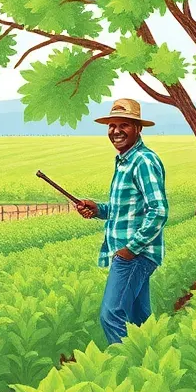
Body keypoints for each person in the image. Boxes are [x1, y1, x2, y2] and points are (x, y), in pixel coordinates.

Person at [75, 99, 168, 345]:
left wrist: (130, 250)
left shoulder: (143, 161)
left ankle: (127, 368)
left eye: (123, 125)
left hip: (134, 255)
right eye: (111, 125)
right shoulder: (126, 160)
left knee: (111, 315)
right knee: (139, 318)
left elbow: (158, 210)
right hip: (131, 253)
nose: (115, 131)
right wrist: (98, 210)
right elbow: (126, 210)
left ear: (138, 128)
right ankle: (153, 364)